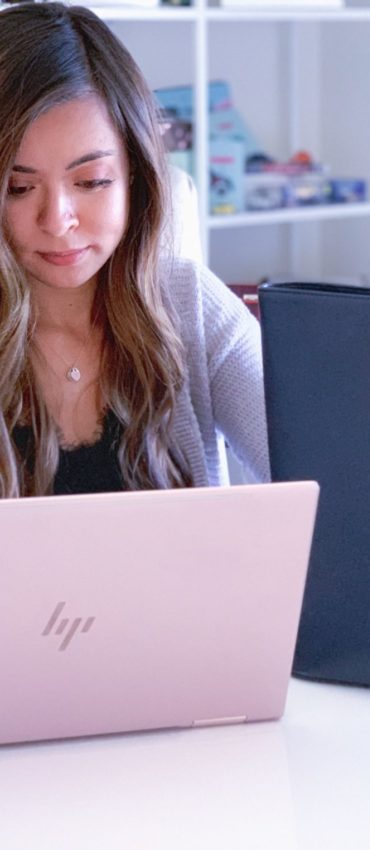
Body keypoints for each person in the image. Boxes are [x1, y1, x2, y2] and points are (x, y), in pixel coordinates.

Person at [0, 1, 270, 498]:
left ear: (135, 177)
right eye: (18, 188)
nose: (58, 221)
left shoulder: (191, 304)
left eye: (91, 181)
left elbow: (320, 478)